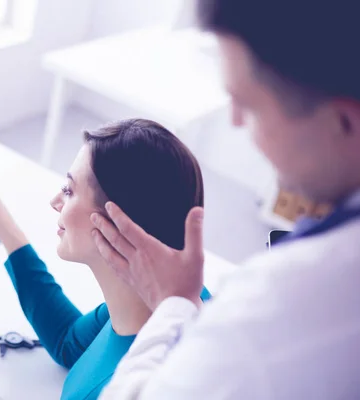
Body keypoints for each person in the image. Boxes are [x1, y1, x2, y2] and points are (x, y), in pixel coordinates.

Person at [94, 1, 360, 399]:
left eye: (248, 105)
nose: (235, 121)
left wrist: (174, 304)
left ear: (344, 122)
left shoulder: (278, 306)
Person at [0, 119, 211, 399]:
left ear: (119, 223)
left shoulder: (131, 386)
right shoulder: (178, 298)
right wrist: (6, 231)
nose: (55, 201)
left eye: (69, 191)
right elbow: (68, 343)